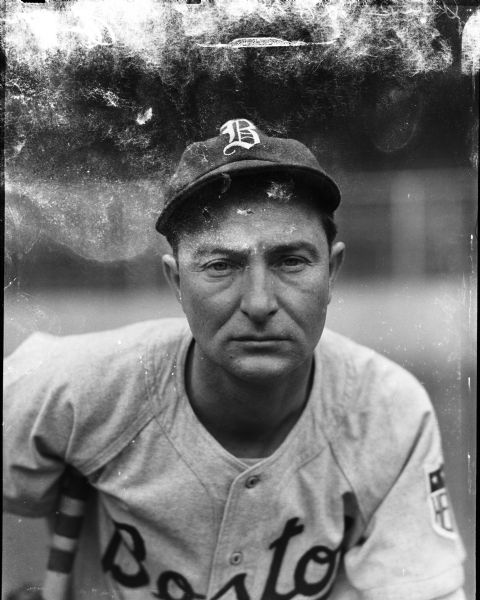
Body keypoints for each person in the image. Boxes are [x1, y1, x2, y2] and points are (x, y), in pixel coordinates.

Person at [3, 119, 466, 600]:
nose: (259, 302)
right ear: (177, 282)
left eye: (291, 261)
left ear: (333, 271)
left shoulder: (389, 413)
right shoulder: (76, 388)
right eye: (221, 265)